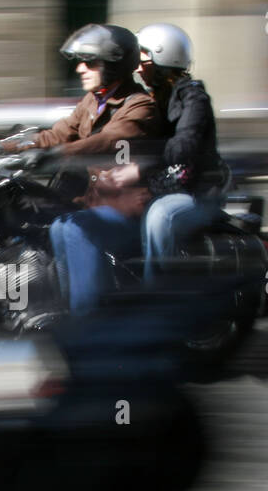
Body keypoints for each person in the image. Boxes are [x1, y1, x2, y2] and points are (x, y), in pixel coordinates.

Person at [13, 24, 160, 313]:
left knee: (76, 230)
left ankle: (89, 322)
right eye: (81, 61)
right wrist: (1, 149)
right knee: (53, 225)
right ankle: (57, 309)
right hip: (97, 203)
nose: (81, 68)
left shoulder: (141, 106)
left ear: (115, 64)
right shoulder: (93, 101)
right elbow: (55, 135)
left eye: (90, 62)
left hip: (128, 209)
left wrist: (54, 155)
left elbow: (105, 141)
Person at [112, 23, 231, 283]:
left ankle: (158, 298)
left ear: (162, 57)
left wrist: (141, 167)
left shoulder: (193, 99)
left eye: (143, 58)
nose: (138, 66)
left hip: (197, 192)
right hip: (163, 186)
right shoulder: (152, 98)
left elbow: (184, 148)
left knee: (160, 216)